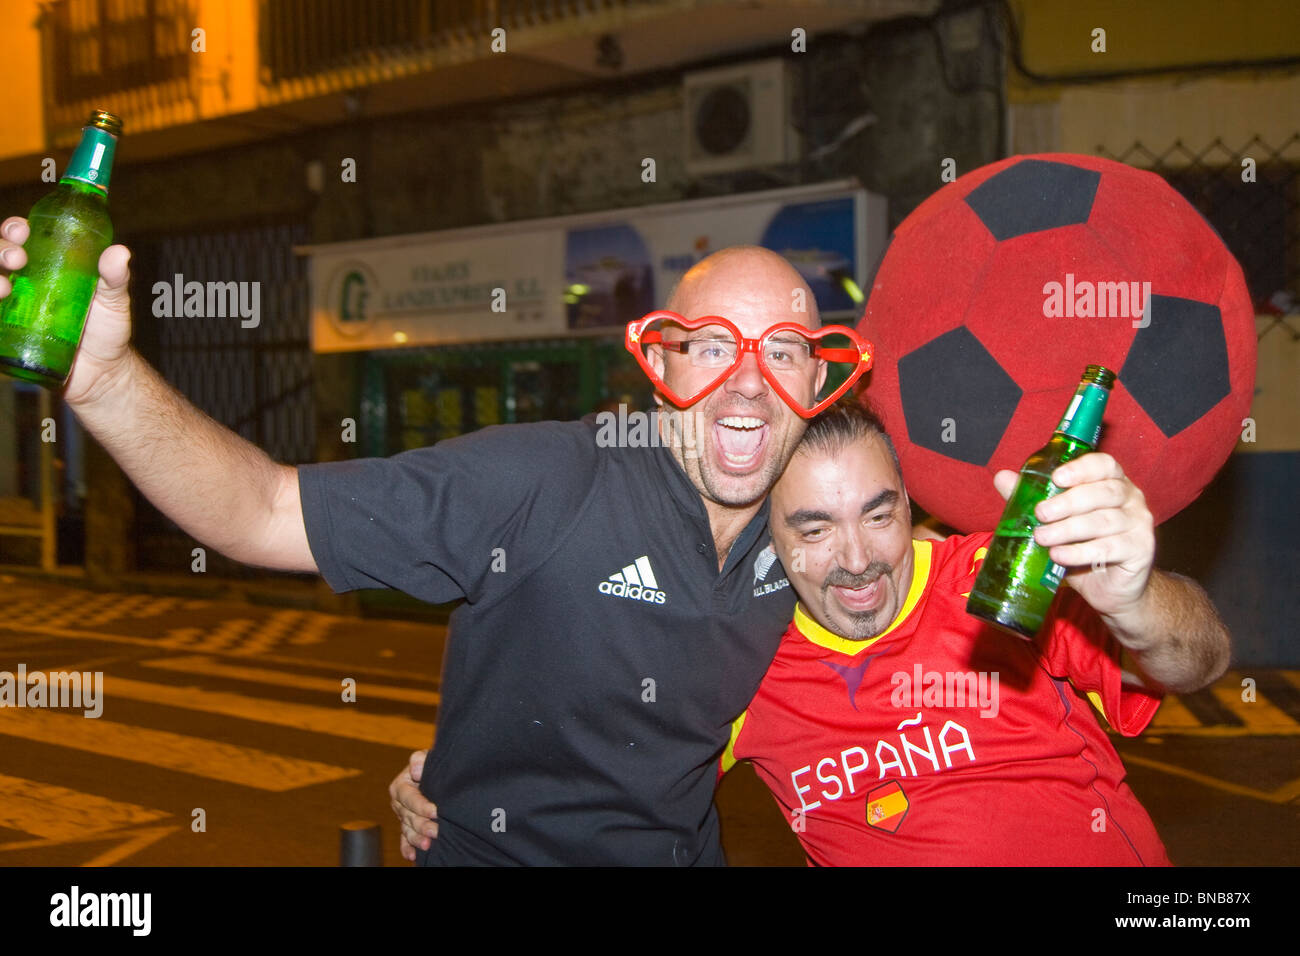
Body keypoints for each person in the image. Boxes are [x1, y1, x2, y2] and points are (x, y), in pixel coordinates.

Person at [0, 221, 832, 864]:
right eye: (715, 346)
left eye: (784, 352)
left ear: (818, 382)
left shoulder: (819, 532)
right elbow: (263, 510)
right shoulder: (547, 479)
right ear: (662, 363)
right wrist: (105, 383)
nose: (749, 385)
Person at [387, 407, 1231, 865]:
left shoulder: (999, 578)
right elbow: (594, 765)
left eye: (879, 513)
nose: (858, 560)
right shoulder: (746, 664)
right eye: (814, 528)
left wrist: (1134, 599)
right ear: (769, 539)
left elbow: (1198, 658)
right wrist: (455, 780)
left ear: (911, 505)